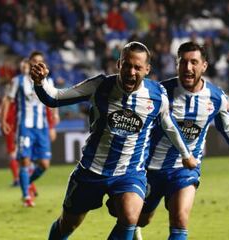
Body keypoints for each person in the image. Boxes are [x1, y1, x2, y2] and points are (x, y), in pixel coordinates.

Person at [30, 41, 197, 240]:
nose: (131, 71)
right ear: (119, 64)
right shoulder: (100, 86)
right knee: (68, 224)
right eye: (127, 65)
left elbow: (169, 125)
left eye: (137, 67)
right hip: (91, 170)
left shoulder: (157, 95)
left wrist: (186, 154)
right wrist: (40, 82)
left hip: (129, 172)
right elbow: (55, 97)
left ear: (147, 69)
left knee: (130, 216)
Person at [108, 41, 229, 240]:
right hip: (149, 169)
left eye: (194, 62)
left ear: (204, 66)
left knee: (180, 219)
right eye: (183, 62)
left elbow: (227, 126)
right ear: (177, 64)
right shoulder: (160, 92)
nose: (188, 68)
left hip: (185, 169)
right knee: (138, 219)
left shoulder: (216, 97)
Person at [1, 52, 57, 207]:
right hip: (24, 126)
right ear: (30, 63)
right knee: (24, 161)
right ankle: (26, 196)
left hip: (42, 128)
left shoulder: (49, 81)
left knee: (44, 164)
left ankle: (26, 183)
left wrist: (53, 123)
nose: (38, 64)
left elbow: (54, 101)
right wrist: (3, 120)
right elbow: (8, 100)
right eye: (35, 61)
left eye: (41, 61)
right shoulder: (18, 81)